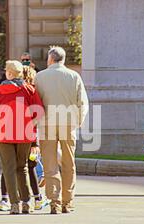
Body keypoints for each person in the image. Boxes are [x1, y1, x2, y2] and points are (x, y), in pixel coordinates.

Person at [34, 46, 89, 214]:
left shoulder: (40, 76)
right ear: (63, 60)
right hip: (68, 123)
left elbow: (36, 102)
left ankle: (54, 201)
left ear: (50, 59)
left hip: (47, 124)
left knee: (50, 165)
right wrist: (79, 121)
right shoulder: (74, 76)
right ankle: (68, 201)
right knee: (69, 163)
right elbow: (83, 103)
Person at [0, 60, 44, 214]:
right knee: (22, 167)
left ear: (9, 73)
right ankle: (26, 202)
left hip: (2, 134)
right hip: (24, 134)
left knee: (8, 168)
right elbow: (38, 112)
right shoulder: (28, 90)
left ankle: (14, 204)